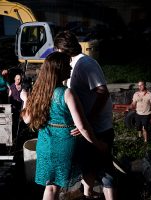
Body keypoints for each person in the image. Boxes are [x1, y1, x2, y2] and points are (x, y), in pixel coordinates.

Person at [20, 52, 105, 200]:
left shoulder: (39, 92)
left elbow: (27, 119)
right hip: (64, 145)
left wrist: (25, 99)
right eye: (67, 65)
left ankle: (87, 192)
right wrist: (98, 144)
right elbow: (83, 126)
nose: (71, 67)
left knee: (51, 186)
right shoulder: (67, 93)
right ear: (59, 70)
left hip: (45, 144)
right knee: (87, 165)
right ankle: (89, 192)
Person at [54, 30, 115, 200]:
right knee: (88, 165)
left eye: (57, 49)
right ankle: (87, 193)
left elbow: (103, 92)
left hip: (98, 126)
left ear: (62, 48)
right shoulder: (74, 65)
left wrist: (87, 120)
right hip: (87, 126)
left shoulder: (86, 64)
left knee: (105, 170)